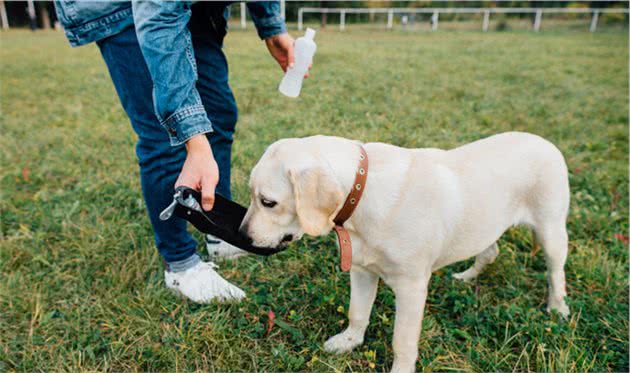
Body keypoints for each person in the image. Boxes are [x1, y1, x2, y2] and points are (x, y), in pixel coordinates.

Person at [54, 1, 307, 303]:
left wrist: (271, 27)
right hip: (125, 10)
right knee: (165, 133)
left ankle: (218, 231)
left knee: (219, 113)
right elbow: (158, 18)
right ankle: (180, 265)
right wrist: (193, 141)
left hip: (196, 9)